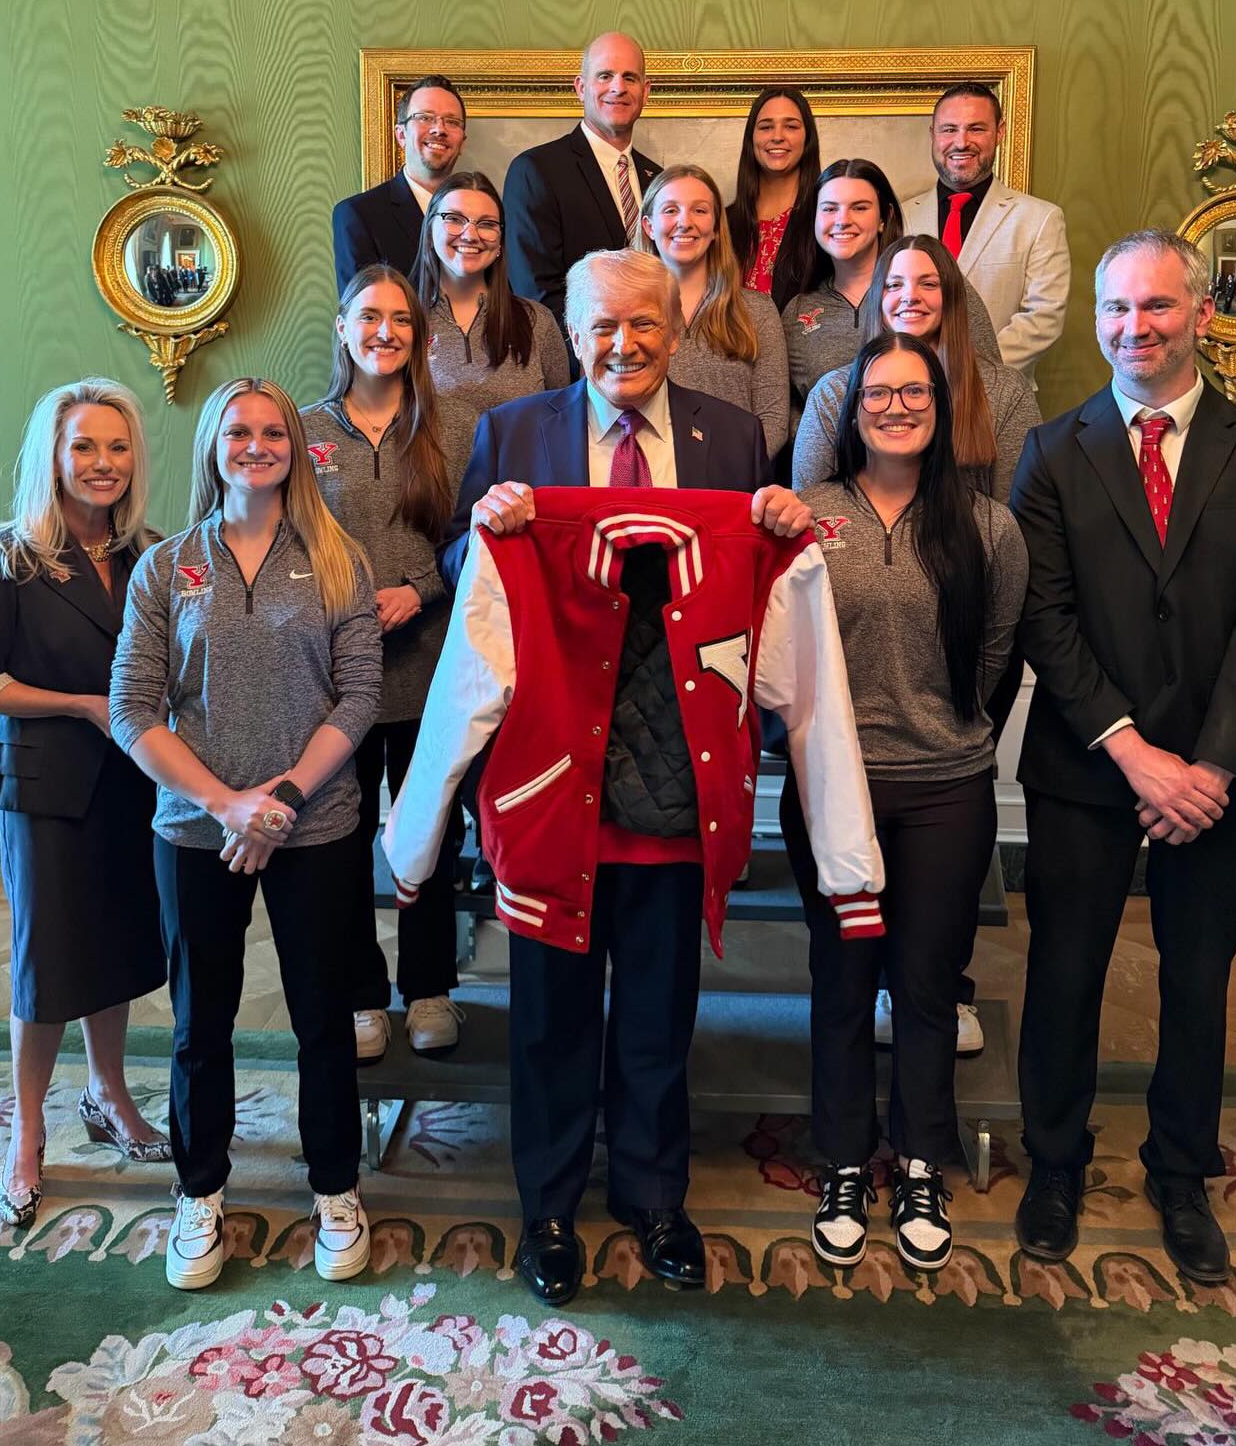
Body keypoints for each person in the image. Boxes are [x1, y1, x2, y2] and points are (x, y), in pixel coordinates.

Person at [426, 249, 838, 1307]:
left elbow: (752, 586)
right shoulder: (513, 435)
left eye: (644, 324)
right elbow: (460, 583)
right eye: (602, 324)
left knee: (660, 1010)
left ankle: (658, 1199)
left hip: (675, 787)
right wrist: (490, 530)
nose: (623, 343)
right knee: (550, 1016)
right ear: (570, 327)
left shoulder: (734, 436)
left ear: (675, 326)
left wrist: (785, 529)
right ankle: (550, 1209)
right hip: (554, 787)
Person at [1010, 229, 1236, 1287]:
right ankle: (1054, 1165)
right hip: (1088, 768)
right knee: (1066, 974)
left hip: (1222, 782)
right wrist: (1135, 753)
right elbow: (1047, 618)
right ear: (1097, 320)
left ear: (1202, 315)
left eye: (1158, 308)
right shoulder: (1052, 449)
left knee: (1197, 983)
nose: (1136, 328)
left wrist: (1210, 770)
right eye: (1117, 311)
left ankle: (1182, 1174)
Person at [109, 378, 382, 1291]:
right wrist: (229, 805)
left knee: (322, 1018)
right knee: (201, 1024)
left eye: (274, 432)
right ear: (213, 446)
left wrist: (285, 799)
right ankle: (200, 1188)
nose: (257, 445)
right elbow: (132, 707)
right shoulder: (166, 566)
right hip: (196, 830)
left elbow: (360, 697)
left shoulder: (340, 559)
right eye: (240, 431)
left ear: (296, 449)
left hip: (318, 826)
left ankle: (336, 1187)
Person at [794, 331, 1026, 1272]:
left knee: (927, 987)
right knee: (842, 985)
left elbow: (998, 656)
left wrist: (951, 730)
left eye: (913, 391)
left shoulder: (988, 527)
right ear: (851, 412)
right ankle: (844, 1159)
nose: (895, 406)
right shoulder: (808, 516)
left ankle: (922, 1156)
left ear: (940, 406)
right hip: (833, 788)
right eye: (876, 393)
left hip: (946, 790)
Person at [0, 380, 170, 1229]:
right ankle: (28, 1132)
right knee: (47, 964)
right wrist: (83, 706)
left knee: (114, 946)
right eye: (85, 446)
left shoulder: (150, 551)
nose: (103, 463)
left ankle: (108, 1095)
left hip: (134, 785)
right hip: (45, 787)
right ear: (54, 455)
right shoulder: (7, 555)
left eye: (117, 447)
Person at [303, 270, 478, 1059]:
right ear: (342, 329)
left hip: (429, 662)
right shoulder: (302, 432)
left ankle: (431, 987)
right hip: (333, 676)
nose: (384, 331)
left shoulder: (458, 429)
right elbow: (282, 545)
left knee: (429, 832)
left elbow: (478, 542)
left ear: (421, 336)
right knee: (338, 840)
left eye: (399, 320)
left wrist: (418, 587)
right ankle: (361, 991)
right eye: (368, 317)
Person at [794, 236, 1040, 507]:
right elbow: (808, 511)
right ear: (877, 297)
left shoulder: (1005, 391)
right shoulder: (833, 393)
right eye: (894, 285)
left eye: (929, 284)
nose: (910, 296)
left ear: (952, 296)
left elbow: (1017, 519)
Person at [901, 82, 1070, 385]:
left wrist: (964, 369)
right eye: (949, 129)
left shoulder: (1040, 218)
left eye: (976, 129)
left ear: (1000, 132)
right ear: (933, 135)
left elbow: (1044, 317)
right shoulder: (900, 216)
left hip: (998, 393)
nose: (961, 142)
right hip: (910, 392)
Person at [503, 33, 660, 332]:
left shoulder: (659, 180)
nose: (618, 87)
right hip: (580, 367)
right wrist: (599, 353)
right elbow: (536, 297)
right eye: (605, 76)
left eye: (630, 77)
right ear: (581, 87)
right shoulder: (536, 171)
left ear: (645, 90)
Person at [636, 163, 789, 456]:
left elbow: (774, 418)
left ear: (717, 227)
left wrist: (734, 471)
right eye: (670, 210)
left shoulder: (756, 311)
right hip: (652, 484)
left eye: (700, 210)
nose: (685, 222)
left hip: (733, 487)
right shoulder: (625, 313)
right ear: (649, 226)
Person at [411, 171, 570, 417]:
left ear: (500, 244)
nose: (470, 235)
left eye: (486, 224)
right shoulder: (402, 321)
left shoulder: (537, 321)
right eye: (454, 218)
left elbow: (564, 419)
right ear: (430, 232)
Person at [783, 159, 904, 412]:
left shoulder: (925, 289)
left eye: (859, 208)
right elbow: (790, 412)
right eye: (829, 209)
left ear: (885, 217)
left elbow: (989, 383)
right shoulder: (798, 310)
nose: (842, 220)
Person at [333, 74, 467, 291]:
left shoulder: (482, 215)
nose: (439, 129)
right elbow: (364, 315)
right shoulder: (358, 215)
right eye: (425, 117)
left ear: (462, 143)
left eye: (452, 122)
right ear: (401, 135)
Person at [727, 87, 821, 309]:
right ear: (752, 138)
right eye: (766, 127)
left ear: (807, 137)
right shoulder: (723, 223)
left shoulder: (826, 219)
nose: (777, 137)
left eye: (791, 126)